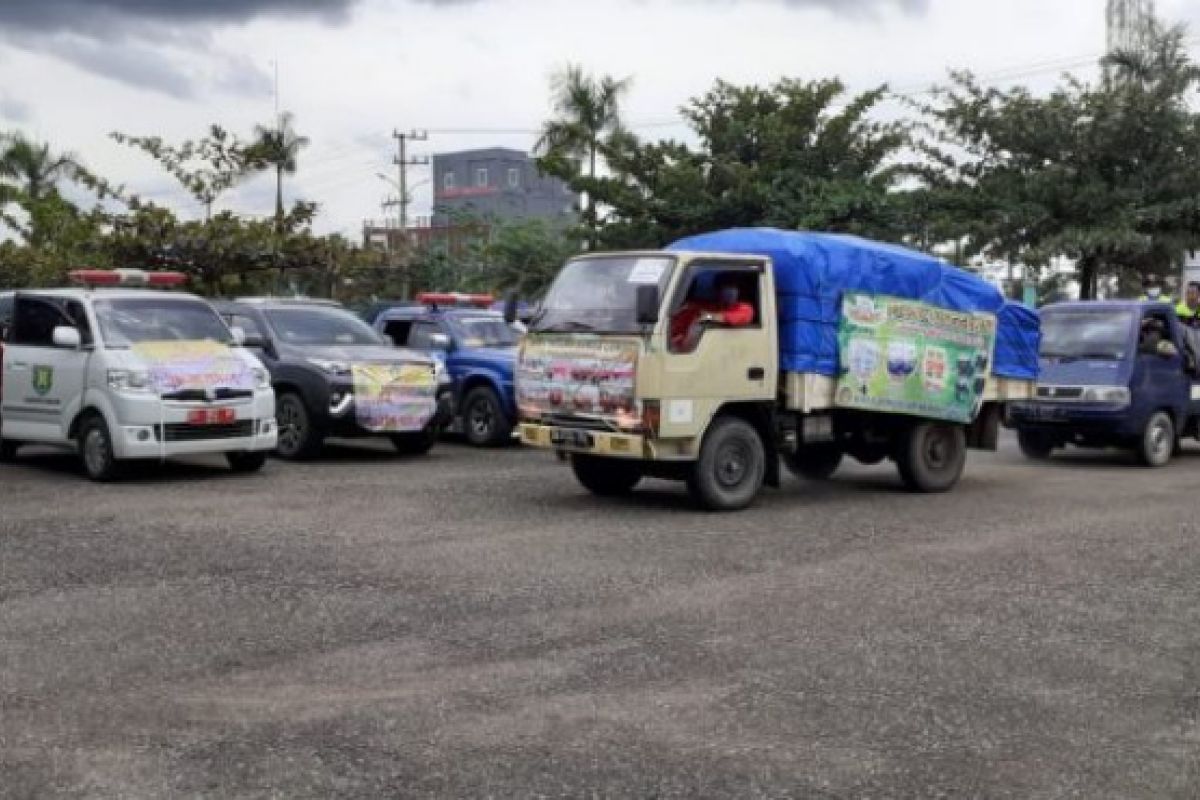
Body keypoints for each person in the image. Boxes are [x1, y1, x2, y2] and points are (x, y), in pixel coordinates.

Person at [669, 274, 754, 351]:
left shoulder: (744, 308)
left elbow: (728, 318)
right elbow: (689, 310)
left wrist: (708, 316)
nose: (730, 291)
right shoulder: (710, 306)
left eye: (734, 287)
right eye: (726, 287)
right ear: (718, 290)